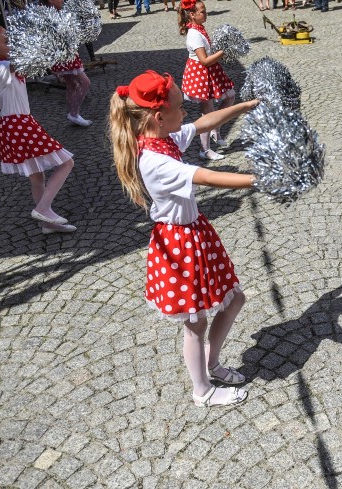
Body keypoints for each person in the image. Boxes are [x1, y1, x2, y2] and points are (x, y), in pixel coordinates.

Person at [108, 70, 254, 408]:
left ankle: (211, 364)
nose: (185, 112)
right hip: (178, 244)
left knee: (233, 300)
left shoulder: (164, 138)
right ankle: (201, 389)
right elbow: (208, 177)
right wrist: (260, 178)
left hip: (195, 233)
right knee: (195, 322)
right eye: (180, 108)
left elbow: (205, 122)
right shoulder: (155, 160)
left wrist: (243, 106)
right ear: (159, 118)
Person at [0, 21, 76, 234]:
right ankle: (43, 208)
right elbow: (23, 62)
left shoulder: (4, 64)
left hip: (20, 123)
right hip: (17, 125)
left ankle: (48, 224)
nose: (12, 44)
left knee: (37, 177)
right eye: (7, 41)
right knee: (67, 163)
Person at [178, 0, 234, 160]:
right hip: (201, 74)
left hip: (209, 71)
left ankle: (215, 129)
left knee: (230, 96)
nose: (206, 14)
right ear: (192, 15)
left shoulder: (199, 28)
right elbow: (204, 60)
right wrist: (223, 51)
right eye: (202, 12)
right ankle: (205, 150)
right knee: (207, 113)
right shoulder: (194, 34)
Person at [39, 0, 92, 127]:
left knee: (71, 85)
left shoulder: (56, 12)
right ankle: (74, 113)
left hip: (66, 54)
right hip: (64, 56)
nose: (63, 0)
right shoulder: (48, 16)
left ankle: (74, 113)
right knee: (85, 82)